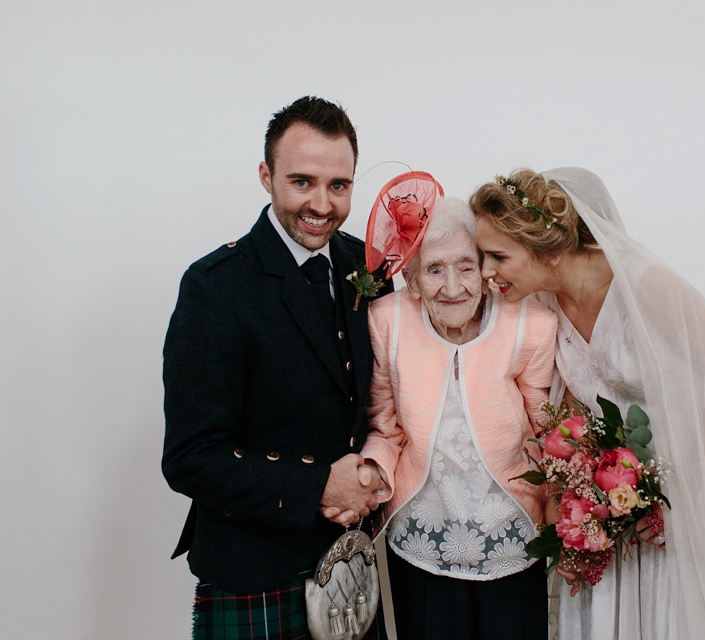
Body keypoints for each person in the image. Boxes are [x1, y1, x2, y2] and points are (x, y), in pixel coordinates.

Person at [470, 168, 705, 639]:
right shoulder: (545, 305)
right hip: (609, 521)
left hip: (675, 506)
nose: (486, 272)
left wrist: (675, 496)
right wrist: (574, 519)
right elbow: (572, 417)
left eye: (498, 256)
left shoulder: (646, 288)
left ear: (554, 251)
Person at [162, 96, 391, 640]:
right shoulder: (215, 287)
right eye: (302, 181)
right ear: (266, 176)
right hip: (254, 572)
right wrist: (319, 486)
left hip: (354, 564)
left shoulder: (370, 268)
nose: (322, 204)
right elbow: (190, 458)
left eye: (339, 185)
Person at [359, 193, 557, 639]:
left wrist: (560, 502)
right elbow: (383, 425)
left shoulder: (531, 323)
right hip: (420, 532)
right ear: (411, 278)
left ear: (485, 270)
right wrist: (372, 469)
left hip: (512, 527)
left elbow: (546, 428)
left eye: (466, 266)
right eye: (434, 269)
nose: (452, 287)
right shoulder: (387, 321)